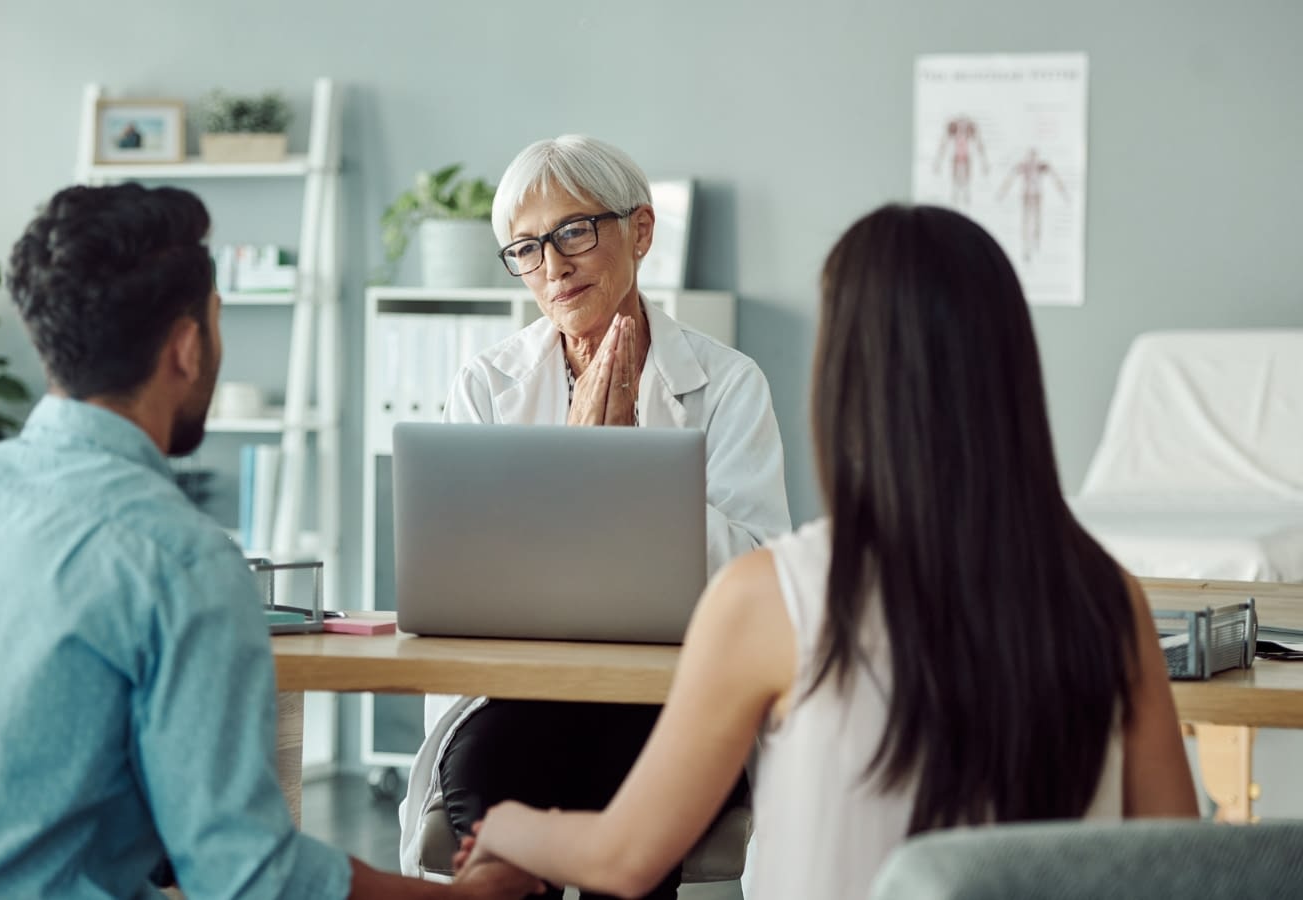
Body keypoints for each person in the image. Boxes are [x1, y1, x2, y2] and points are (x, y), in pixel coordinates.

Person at [455, 204, 1199, 898]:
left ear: (844, 379)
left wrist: (508, 828)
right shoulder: (1109, 601)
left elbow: (623, 857)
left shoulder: (771, 596)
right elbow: (1176, 869)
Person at [0, 183, 541, 900]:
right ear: (185, 347)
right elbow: (250, 878)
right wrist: (460, 899)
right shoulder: (176, 558)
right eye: (217, 324)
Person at [399, 135, 793, 897]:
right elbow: (465, 577)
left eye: (574, 232)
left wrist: (626, 474)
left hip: (668, 696)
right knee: (490, 779)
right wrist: (574, 477)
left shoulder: (731, 384)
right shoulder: (486, 385)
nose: (553, 266)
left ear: (640, 231)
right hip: (516, 694)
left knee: (635, 824)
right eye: (526, 248)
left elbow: (757, 575)